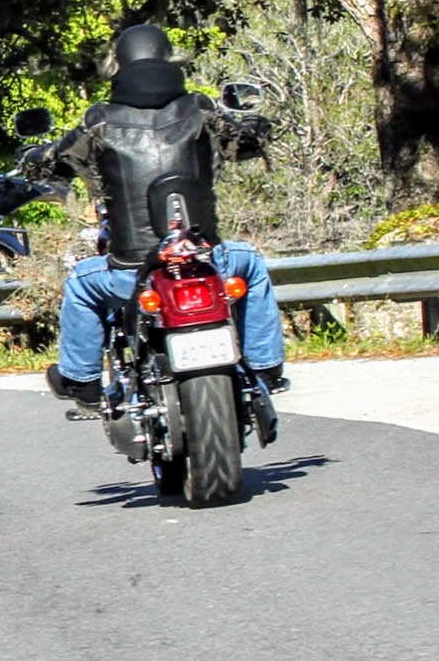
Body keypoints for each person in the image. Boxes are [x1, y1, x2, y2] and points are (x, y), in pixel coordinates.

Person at [26, 24, 287, 413]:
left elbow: (53, 163)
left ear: (119, 66)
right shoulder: (199, 109)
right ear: (169, 60)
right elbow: (244, 140)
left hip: (132, 271)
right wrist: (257, 126)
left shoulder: (98, 122)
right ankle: (265, 369)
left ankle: (81, 381)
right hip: (206, 261)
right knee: (249, 260)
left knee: (80, 284)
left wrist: (34, 158)